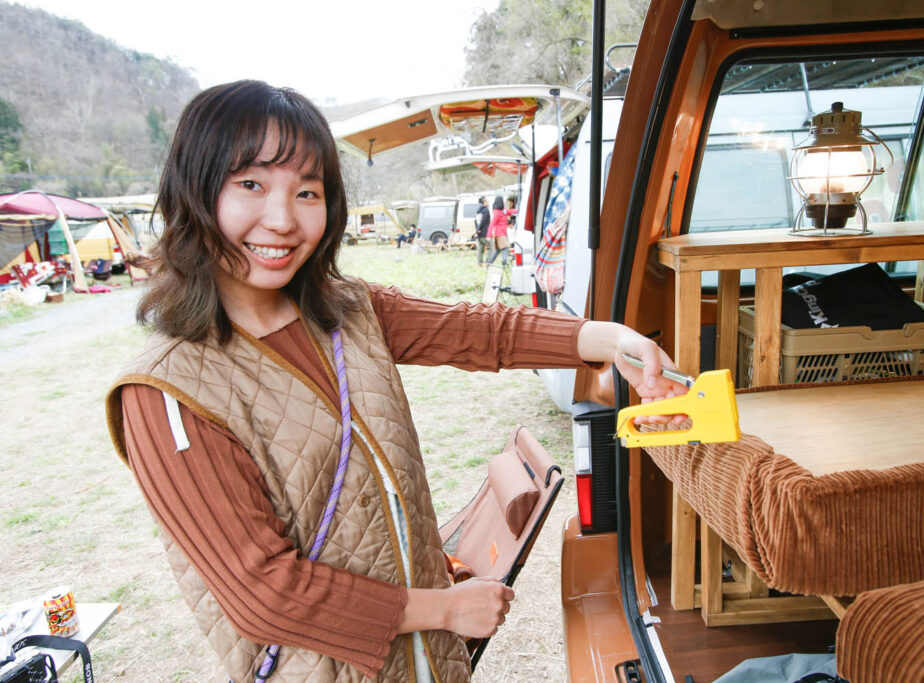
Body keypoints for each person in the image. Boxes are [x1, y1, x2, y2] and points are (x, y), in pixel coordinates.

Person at [105, 80, 683, 683]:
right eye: (250, 184)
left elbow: (478, 332)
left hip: (426, 662)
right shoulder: (165, 392)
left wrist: (608, 338)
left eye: (308, 191)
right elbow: (267, 593)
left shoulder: (346, 311)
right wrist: (445, 608)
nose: (281, 219)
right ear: (194, 190)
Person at [486, 195, 510, 266]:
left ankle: (489, 263)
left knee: (498, 250)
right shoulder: (497, 212)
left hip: (501, 233)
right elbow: (492, 224)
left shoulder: (502, 211)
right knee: (505, 247)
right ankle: (504, 262)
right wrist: (488, 235)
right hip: (500, 234)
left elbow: (510, 212)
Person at [474, 196, 490, 267]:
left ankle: (479, 263)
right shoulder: (485, 210)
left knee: (480, 248)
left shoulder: (478, 210)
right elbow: (483, 221)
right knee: (490, 247)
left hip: (479, 232)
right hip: (484, 232)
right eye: (487, 201)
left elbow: (476, 221)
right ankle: (488, 262)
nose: (488, 202)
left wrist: (477, 230)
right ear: (484, 203)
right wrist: (480, 229)